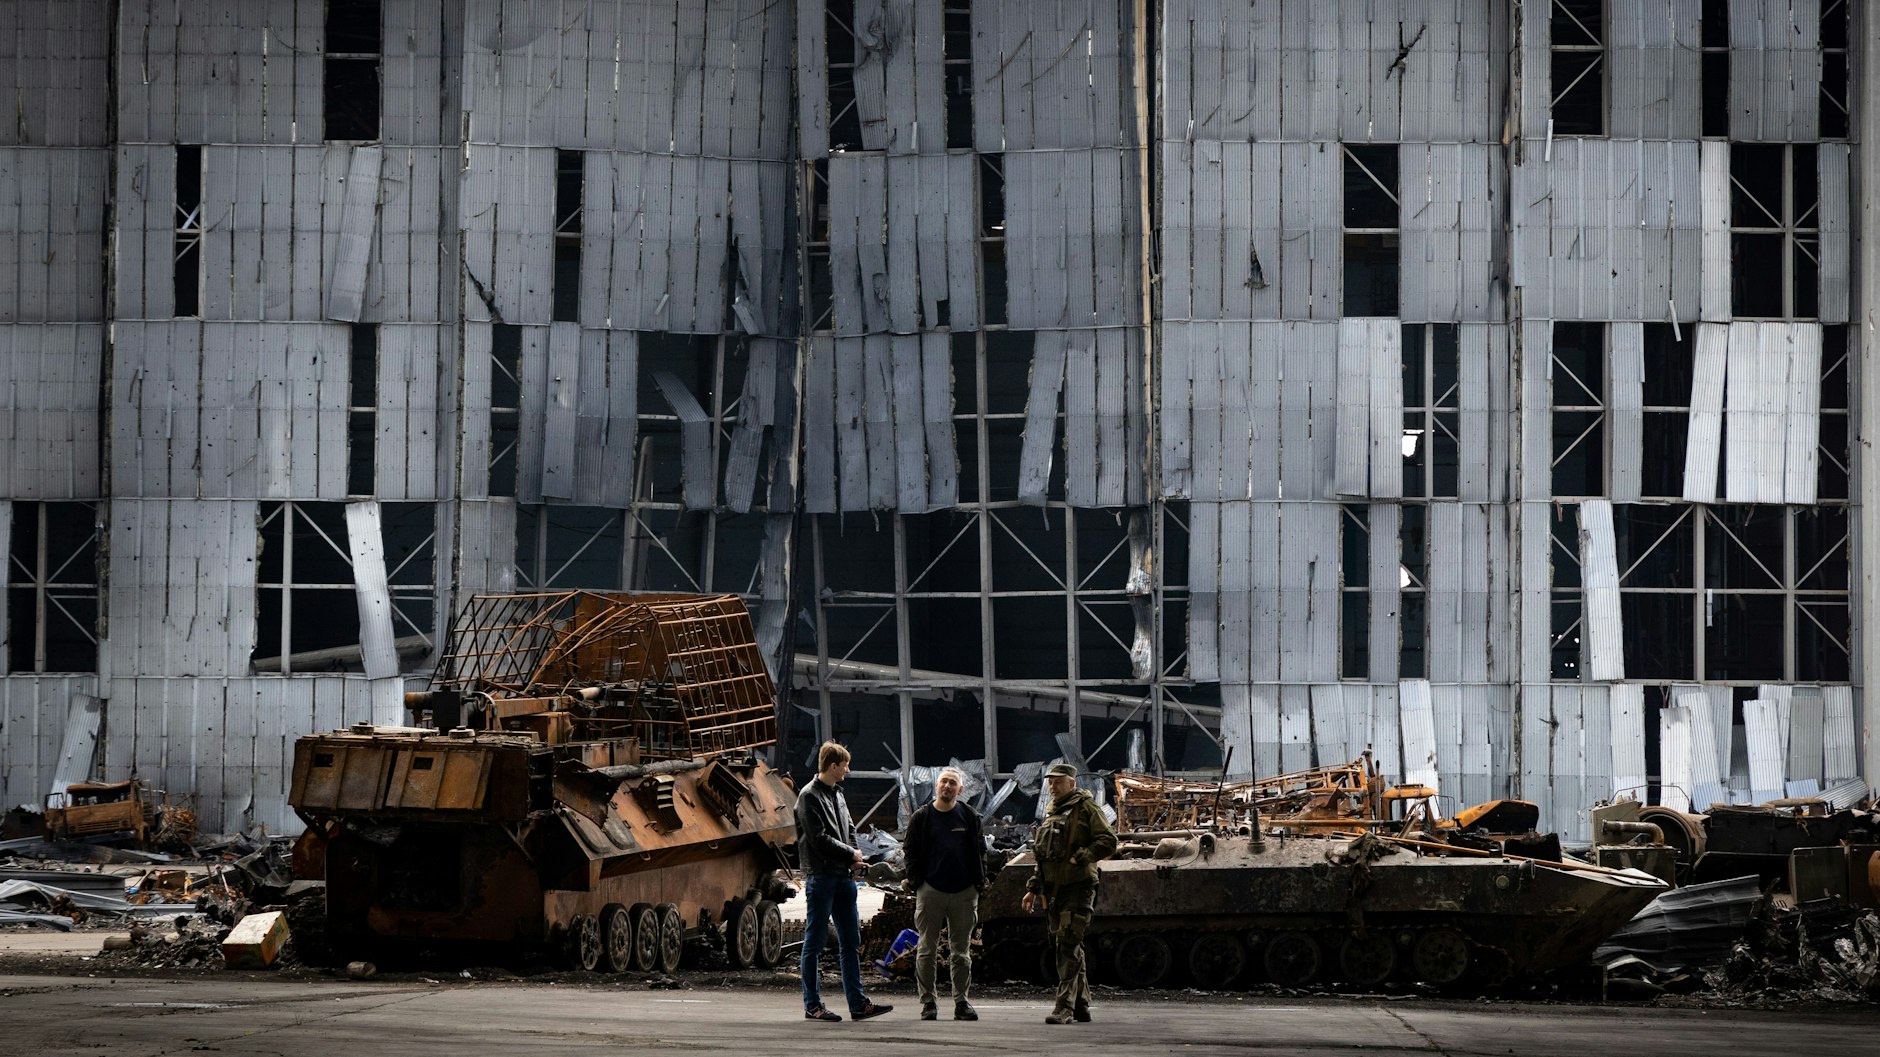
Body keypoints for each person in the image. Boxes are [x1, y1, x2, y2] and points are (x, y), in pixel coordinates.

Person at [794, 740, 893, 1023]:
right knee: (814, 942)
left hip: (843, 877)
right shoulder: (809, 796)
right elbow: (818, 838)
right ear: (833, 765)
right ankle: (813, 1006)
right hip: (821, 876)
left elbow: (848, 828)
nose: (848, 770)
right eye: (845, 765)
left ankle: (858, 1005)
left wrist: (853, 858)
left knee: (851, 941)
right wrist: (851, 853)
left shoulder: (837, 794)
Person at [1021, 762, 1118, 1025]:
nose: (1053, 786)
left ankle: (1063, 1006)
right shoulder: (1052, 813)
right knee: (1070, 945)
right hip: (1054, 891)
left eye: (1058, 781)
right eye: (1050, 782)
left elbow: (1109, 840)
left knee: (1067, 944)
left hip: (1077, 889)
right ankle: (1081, 1005)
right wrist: (1032, 889)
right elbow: (1043, 858)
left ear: (1071, 783)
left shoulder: (1086, 808)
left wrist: (1083, 856)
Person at [902, 766, 986, 1022]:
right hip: (931, 892)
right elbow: (910, 851)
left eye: (952, 783)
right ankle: (928, 1003)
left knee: (960, 952)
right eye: (943, 782)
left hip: (964, 893)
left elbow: (981, 851)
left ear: (960, 790)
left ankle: (961, 1002)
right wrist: (918, 883)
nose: (947, 786)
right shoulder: (922, 817)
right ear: (936, 786)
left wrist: (978, 884)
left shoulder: (970, 817)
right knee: (926, 949)